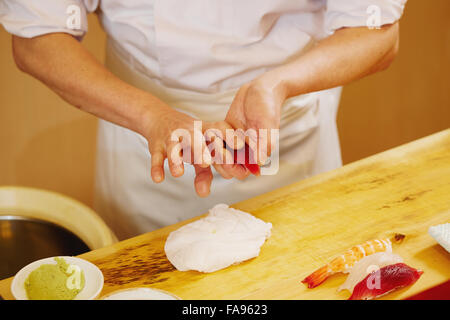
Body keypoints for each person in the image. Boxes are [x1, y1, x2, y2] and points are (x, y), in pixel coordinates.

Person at [0, 0, 407, 240]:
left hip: (294, 133)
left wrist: (278, 85)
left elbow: (378, 32)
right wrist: (151, 115)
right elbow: (37, 39)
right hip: (143, 144)